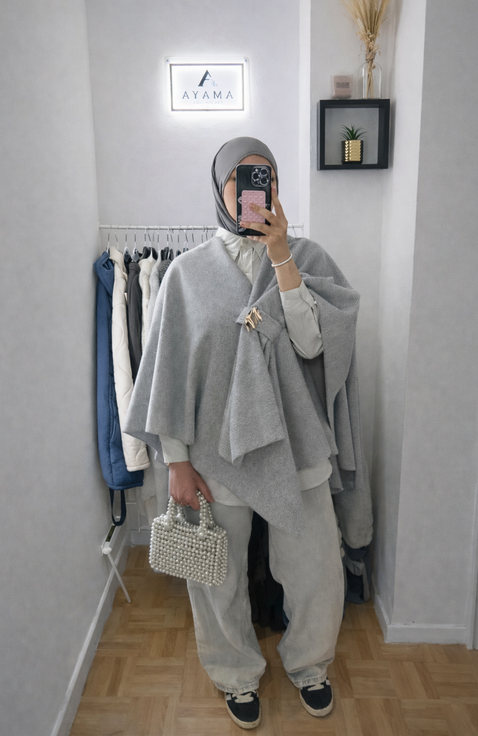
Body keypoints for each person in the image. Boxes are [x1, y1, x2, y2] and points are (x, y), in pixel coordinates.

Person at [126, 137, 371, 729]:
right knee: (218, 574)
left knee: (316, 571)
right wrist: (176, 461)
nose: (256, 189)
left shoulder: (308, 258)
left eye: (267, 177)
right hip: (217, 452)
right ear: (221, 188)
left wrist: (282, 256)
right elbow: (170, 373)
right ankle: (235, 675)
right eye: (242, 178)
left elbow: (316, 348)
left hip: (297, 445)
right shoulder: (186, 275)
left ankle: (310, 665)